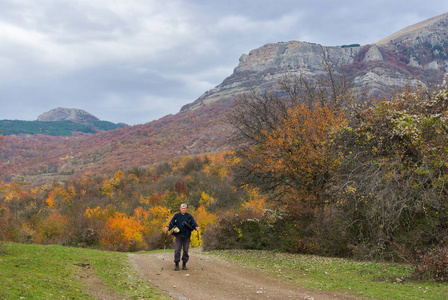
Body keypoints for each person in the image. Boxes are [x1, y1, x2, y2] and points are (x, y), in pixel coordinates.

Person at [165, 203, 199, 271]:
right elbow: (172, 223)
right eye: (182, 208)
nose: (183, 209)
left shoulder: (189, 216)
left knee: (186, 251)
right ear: (180, 209)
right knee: (177, 250)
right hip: (178, 236)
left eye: (185, 208)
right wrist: (168, 228)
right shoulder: (176, 216)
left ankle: (184, 264)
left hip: (187, 236)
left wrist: (196, 227)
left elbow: (193, 223)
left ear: (186, 209)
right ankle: (176, 264)